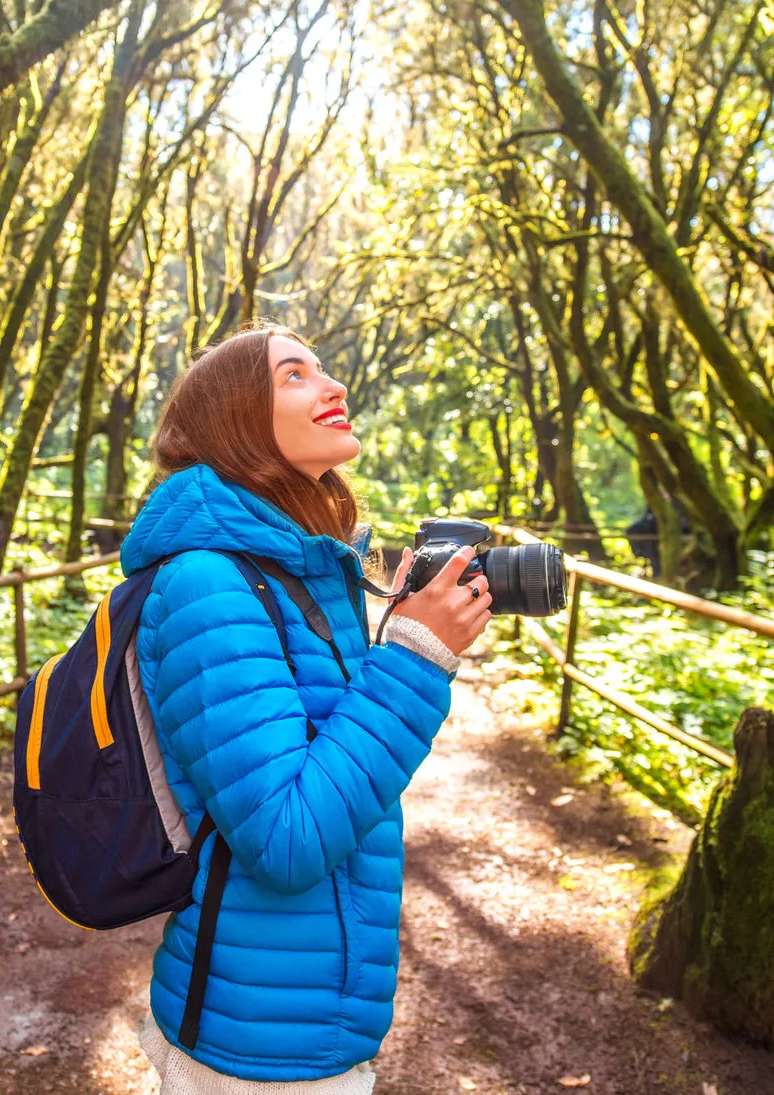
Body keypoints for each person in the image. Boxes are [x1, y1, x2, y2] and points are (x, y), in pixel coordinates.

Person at [118, 324, 490, 1093]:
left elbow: (334, 762)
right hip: (251, 1046)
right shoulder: (206, 583)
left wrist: (404, 629)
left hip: (308, 1022)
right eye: (294, 374)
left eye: (322, 368)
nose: (334, 385)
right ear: (237, 420)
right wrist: (417, 656)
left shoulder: (304, 570)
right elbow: (287, 837)